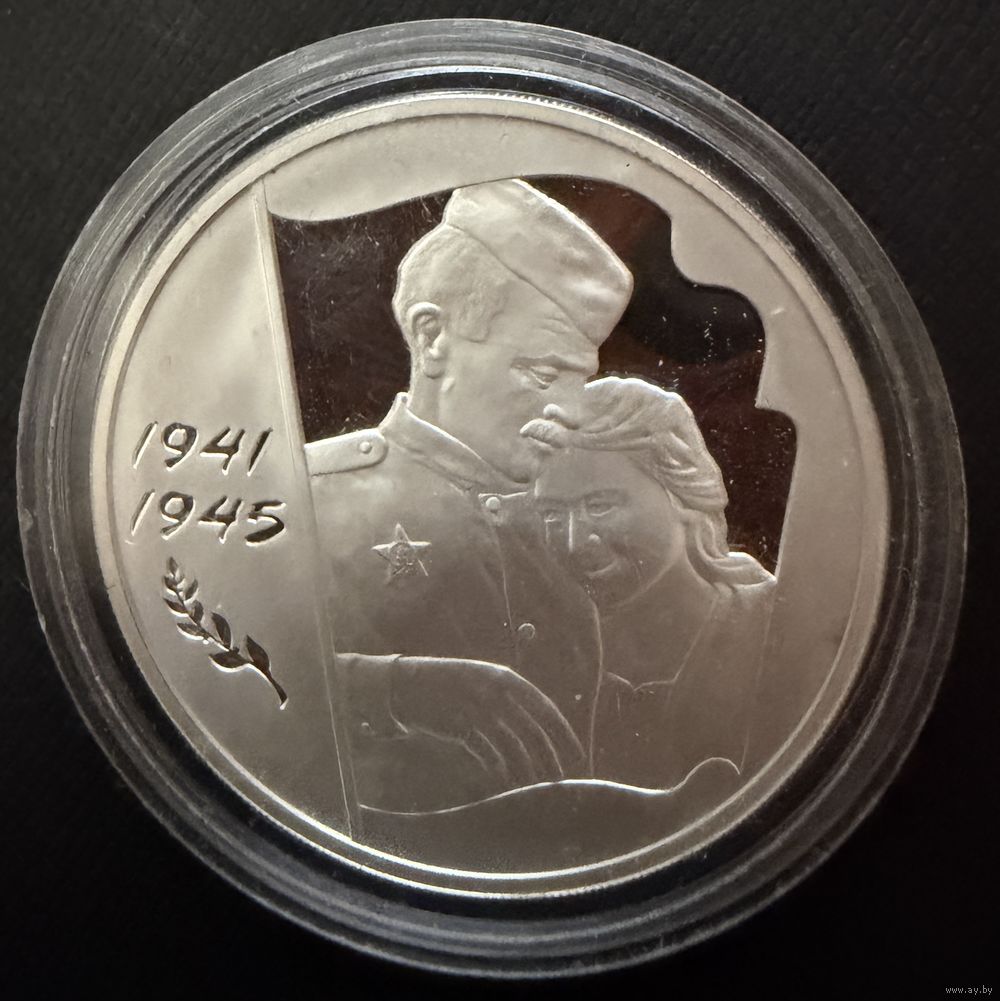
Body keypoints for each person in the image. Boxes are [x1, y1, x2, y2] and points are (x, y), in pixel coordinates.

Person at [306, 179, 634, 813]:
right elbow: (210, 682)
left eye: (581, 380)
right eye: (543, 372)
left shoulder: (576, 520)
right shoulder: (307, 495)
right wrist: (396, 691)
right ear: (433, 337)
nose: (572, 411)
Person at [527, 376, 777, 790]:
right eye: (552, 514)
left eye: (600, 506)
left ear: (681, 494)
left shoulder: (775, 627)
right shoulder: (544, 648)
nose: (574, 542)